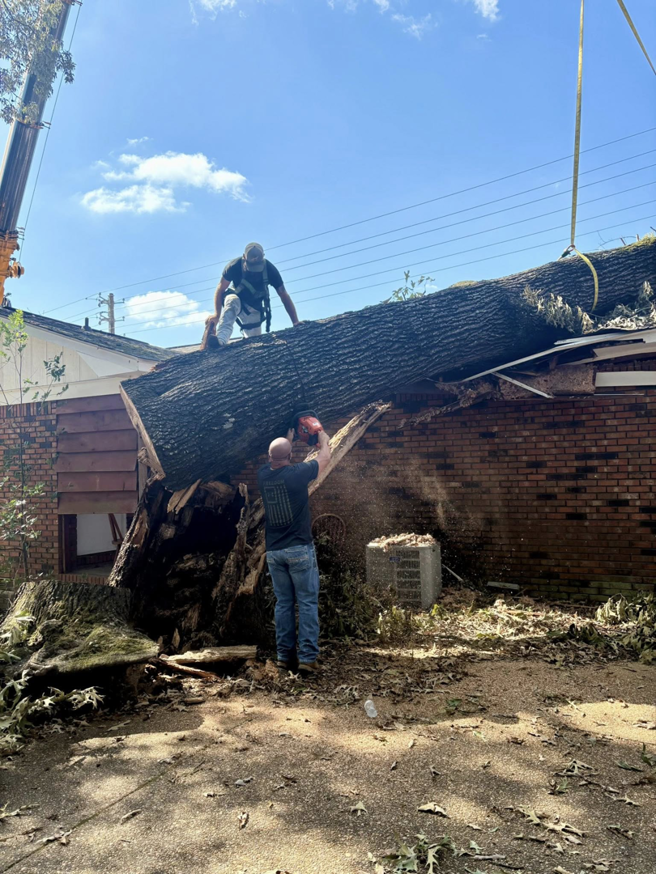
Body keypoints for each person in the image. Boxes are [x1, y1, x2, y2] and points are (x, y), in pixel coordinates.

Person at [257, 428, 331, 674]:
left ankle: (284, 657)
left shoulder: (263, 475)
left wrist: (286, 439)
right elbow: (324, 459)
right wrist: (323, 439)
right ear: (290, 457)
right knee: (307, 602)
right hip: (299, 549)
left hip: (275, 553)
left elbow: (278, 457)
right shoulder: (298, 474)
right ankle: (308, 659)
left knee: (284, 603)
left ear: (269, 457)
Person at [204, 243, 300, 347]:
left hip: (253, 307)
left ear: (263, 256)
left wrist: (295, 322)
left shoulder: (270, 270)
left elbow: (283, 294)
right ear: (244, 257)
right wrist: (217, 315)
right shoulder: (234, 266)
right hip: (236, 298)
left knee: (254, 343)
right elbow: (221, 288)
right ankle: (220, 341)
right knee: (232, 302)